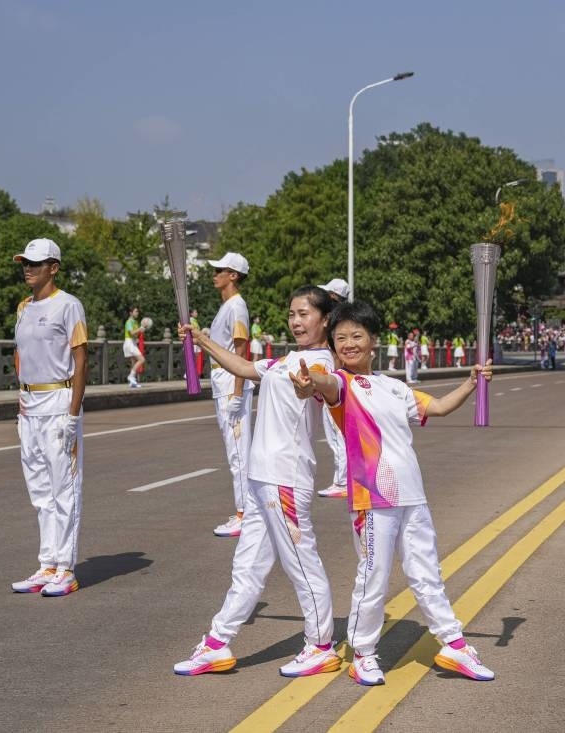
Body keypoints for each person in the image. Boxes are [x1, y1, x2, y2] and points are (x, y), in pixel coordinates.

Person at [290, 300, 496, 686]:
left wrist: (471, 382)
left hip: (412, 495)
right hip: (373, 498)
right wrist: (310, 383)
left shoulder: (394, 387)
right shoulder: (342, 385)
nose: (349, 344)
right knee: (374, 576)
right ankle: (363, 654)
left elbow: (438, 407)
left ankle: (454, 644)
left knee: (426, 572)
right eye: (340, 339)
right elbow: (321, 383)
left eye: (356, 336)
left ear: (373, 341)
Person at [172, 285, 339, 678]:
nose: (296, 321)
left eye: (304, 314)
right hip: (261, 479)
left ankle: (321, 645)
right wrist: (202, 340)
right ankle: (217, 643)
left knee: (301, 563)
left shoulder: (322, 364)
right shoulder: (285, 360)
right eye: (292, 314)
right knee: (246, 566)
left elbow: (323, 384)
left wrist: (311, 385)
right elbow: (245, 368)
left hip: (286, 478)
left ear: (325, 319)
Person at [10, 238, 88, 598]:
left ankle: (66, 568)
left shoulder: (69, 305)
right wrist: (20, 400)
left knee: (63, 488)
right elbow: (20, 354)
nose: (28, 269)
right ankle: (47, 564)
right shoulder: (23, 307)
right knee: (40, 490)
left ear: (53, 268)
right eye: (25, 263)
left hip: (59, 402)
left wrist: (73, 413)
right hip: (30, 405)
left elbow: (81, 361)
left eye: (35, 264)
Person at [205, 252, 255, 538]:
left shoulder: (237, 306)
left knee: (238, 452)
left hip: (230, 385)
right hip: (221, 381)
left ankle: (244, 513)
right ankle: (244, 510)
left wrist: (237, 394)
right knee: (233, 451)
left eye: (220, 271)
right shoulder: (226, 307)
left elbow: (241, 351)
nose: (215, 275)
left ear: (233, 275)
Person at [316, 278, 350, 499]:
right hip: (337, 382)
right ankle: (344, 479)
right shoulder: (341, 321)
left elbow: (338, 356)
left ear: (335, 297)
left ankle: (342, 482)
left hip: (336, 384)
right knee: (338, 434)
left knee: (338, 434)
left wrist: (333, 381)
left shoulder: (336, 324)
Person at [123, 306, 146, 388]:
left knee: (133, 362)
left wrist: (141, 331)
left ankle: (132, 382)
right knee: (142, 359)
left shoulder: (135, 322)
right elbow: (132, 333)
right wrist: (140, 329)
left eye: (137, 311)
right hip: (129, 343)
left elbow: (135, 334)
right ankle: (131, 376)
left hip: (133, 342)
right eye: (136, 311)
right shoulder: (129, 322)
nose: (137, 313)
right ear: (130, 313)